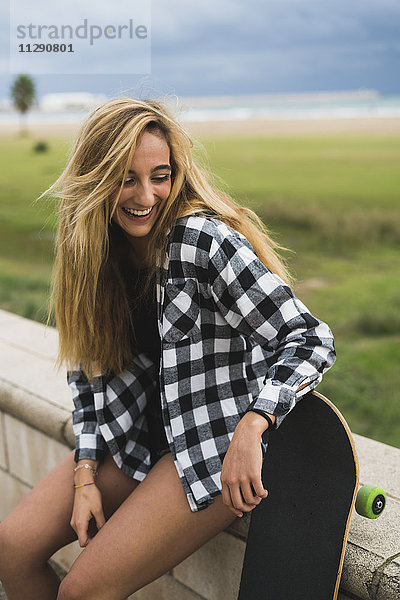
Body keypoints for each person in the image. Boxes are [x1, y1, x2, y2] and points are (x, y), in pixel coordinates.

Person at [0, 98, 336, 600]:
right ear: (95, 178)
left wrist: (254, 424)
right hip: (137, 442)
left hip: (209, 449)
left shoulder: (200, 241)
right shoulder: (93, 254)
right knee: (10, 546)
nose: (146, 195)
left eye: (160, 175)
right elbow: (87, 378)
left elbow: (310, 337)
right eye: (125, 178)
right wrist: (85, 475)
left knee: (82, 592)